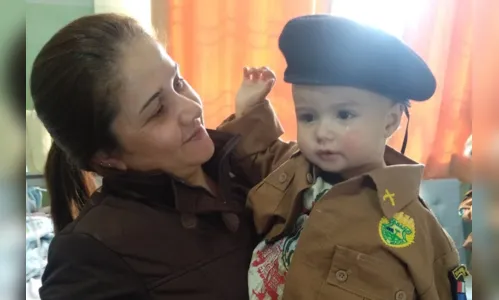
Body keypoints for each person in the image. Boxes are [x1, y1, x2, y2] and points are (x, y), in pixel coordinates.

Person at [33, 13, 278, 300]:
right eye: (158, 111)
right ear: (108, 157)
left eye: (178, 81)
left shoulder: (240, 165)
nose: (191, 108)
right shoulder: (93, 256)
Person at [229, 15, 469, 300]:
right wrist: (249, 108)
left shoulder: (414, 227)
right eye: (308, 116)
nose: (322, 132)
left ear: (390, 122)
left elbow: (443, 286)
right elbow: (253, 153)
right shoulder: (292, 164)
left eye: (344, 115)